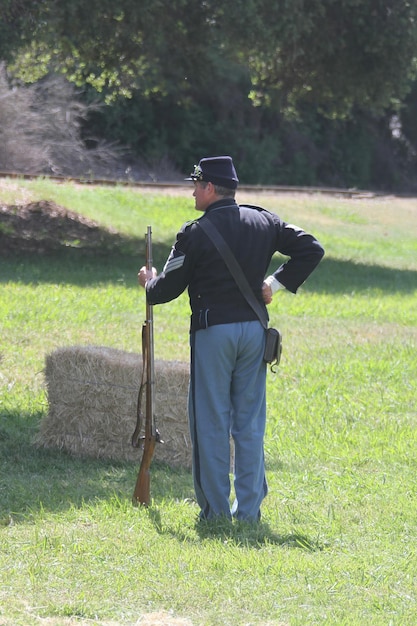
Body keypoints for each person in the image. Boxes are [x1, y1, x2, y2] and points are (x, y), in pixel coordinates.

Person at [138, 156, 324, 522]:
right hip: (255, 333)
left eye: (196, 184)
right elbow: (310, 248)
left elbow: (164, 291)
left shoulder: (194, 232)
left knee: (210, 422)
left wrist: (149, 281)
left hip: (213, 335)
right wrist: (274, 283)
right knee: (249, 425)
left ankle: (215, 513)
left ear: (209, 188)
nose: (192, 191)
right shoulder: (264, 220)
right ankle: (250, 512)